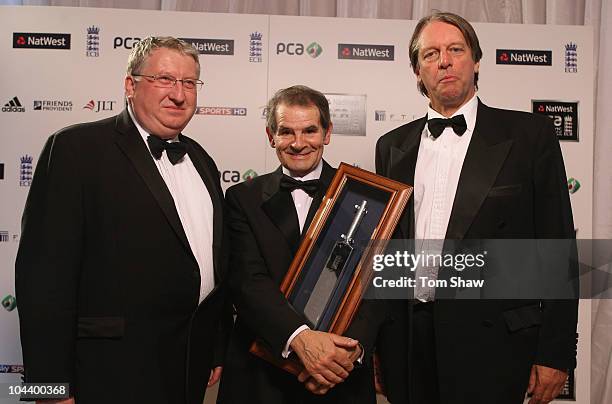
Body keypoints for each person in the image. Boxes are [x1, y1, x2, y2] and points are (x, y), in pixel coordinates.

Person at [375, 12, 578, 404]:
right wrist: (380, 346)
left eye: (455, 49)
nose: (444, 61)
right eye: (430, 54)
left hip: (494, 344)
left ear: (477, 60)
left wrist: (555, 352)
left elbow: (557, 247)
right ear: (418, 71)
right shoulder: (391, 146)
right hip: (408, 343)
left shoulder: (528, 135)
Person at [15, 36, 231, 404]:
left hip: (186, 371)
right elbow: (43, 278)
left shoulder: (202, 160)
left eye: (189, 83)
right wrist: (47, 387)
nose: (178, 94)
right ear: (131, 85)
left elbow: (214, 268)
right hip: (105, 374)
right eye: (165, 79)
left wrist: (214, 350)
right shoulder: (75, 149)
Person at [217, 85, 387, 404]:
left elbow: (375, 286)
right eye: (286, 132)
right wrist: (301, 340)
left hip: (341, 374)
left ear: (327, 133)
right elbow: (248, 283)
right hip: (263, 374)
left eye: (310, 130)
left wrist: (351, 351)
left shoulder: (364, 195)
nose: (298, 143)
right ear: (271, 136)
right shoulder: (243, 199)